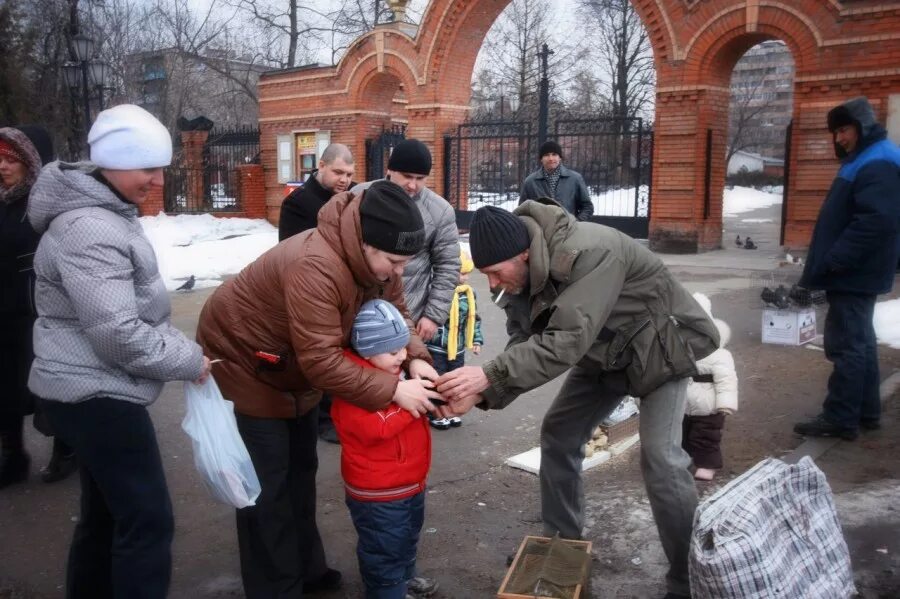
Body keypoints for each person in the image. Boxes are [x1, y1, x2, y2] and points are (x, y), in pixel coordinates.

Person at [434, 201, 720, 599]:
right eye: (486, 277)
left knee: (661, 459)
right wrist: (483, 391)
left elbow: (565, 341)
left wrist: (487, 374)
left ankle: (689, 579)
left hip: (660, 349)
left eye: (496, 274)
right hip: (603, 353)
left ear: (523, 254)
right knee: (559, 435)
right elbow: (526, 339)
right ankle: (563, 544)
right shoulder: (519, 276)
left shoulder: (589, 252)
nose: (494, 285)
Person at [195, 180, 443, 599]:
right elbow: (323, 361)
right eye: (394, 261)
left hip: (293, 366)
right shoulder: (316, 264)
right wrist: (393, 390)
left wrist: (416, 356)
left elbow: (395, 311)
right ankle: (277, 587)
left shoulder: (376, 262)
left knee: (301, 469)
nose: (399, 272)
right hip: (246, 361)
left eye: (405, 263)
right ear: (366, 242)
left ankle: (307, 570)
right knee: (266, 484)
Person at [26, 104, 212, 599]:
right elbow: (117, 333)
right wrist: (189, 361)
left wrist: (182, 348)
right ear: (111, 162)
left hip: (80, 389)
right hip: (95, 395)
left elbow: (131, 315)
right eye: (147, 168)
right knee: (147, 522)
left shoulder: (102, 213)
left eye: (160, 169)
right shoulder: (91, 226)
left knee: (105, 515)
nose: (156, 181)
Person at [794, 96, 900, 441]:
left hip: (855, 271)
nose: (839, 138)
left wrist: (837, 258)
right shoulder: (872, 157)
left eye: (844, 129)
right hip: (860, 270)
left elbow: (876, 220)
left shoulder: (878, 160)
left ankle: (840, 418)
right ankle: (865, 411)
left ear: (862, 126)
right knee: (861, 341)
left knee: (847, 344)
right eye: (836, 131)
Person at [331, 299, 437, 599]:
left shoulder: (395, 374)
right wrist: (413, 403)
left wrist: (429, 398)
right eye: (393, 352)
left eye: (403, 348)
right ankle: (387, 590)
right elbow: (376, 427)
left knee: (406, 537)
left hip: (408, 483)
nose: (402, 356)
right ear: (367, 351)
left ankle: (404, 579)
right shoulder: (355, 385)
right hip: (378, 493)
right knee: (383, 549)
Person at [0, 125, 76, 488]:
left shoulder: (46, 204)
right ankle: (13, 456)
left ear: (31, 162)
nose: (2, 166)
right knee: (4, 388)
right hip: (3, 312)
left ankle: (67, 450)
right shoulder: (1, 199)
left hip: (35, 310)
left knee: (49, 387)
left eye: (10, 159)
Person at [352, 139, 460, 350]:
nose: (413, 185)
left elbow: (448, 266)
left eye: (420, 178)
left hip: (407, 315)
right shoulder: (359, 195)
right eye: (407, 176)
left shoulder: (440, 211)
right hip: (358, 308)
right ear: (390, 170)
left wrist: (433, 316)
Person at [279, 143, 355, 442]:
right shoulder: (298, 202)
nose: (344, 179)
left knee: (344, 351)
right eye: (337, 171)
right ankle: (322, 419)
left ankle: (339, 411)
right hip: (312, 289)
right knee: (320, 350)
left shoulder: (353, 196)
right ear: (320, 166)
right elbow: (290, 250)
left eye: (349, 174)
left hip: (345, 287)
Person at [682, 294, 738, 482]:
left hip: (709, 406)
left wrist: (726, 404)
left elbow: (727, 380)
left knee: (705, 437)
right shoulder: (678, 350)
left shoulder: (720, 355)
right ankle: (684, 459)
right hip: (682, 403)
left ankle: (707, 464)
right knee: (681, 434)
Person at [425, 250, 483, 430]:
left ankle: (450, 411)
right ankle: (434, 413)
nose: (464, 278)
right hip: (437, 346)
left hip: (457, 347)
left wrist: (476, 339)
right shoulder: (437, 291)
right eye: (461, 273)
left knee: (455, 382)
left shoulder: (469, 293)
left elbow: (473, 319)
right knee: (438, 380)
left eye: (467, 274)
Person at [519, 140, 594, 221]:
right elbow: (523, 209)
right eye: (546, 155)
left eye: (554, 154)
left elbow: (587, 207)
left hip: (568, 230)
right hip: (541, 231)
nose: (551, 158)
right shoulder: (530, 182)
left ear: (560, 157)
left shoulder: (575, 179)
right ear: (541, 159)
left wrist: (576, 223)